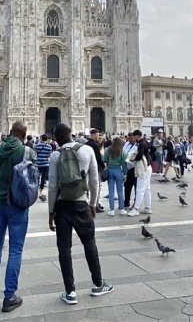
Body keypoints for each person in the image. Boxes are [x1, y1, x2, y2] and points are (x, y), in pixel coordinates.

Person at [48, 122, 113, 305]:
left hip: (61, 207)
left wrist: (51, 212)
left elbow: (52, 187)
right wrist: (92, 203)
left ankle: (70, 293)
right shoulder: (87, 151)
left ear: (58, 137)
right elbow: (94, 180)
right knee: (90, 244)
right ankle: (98, 284)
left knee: (64, 249)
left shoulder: (55, 155)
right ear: (70, 134)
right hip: (81, 205)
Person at [0, 121, 36, 313]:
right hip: (18, 205)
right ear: (24, 135)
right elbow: (33, 177)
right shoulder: (27, 151)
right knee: (15, 250)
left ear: (10, 132)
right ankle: (9, 296)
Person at [127, 130, 152, 217]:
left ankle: (136, 208)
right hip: (148, 167)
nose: (133, 139)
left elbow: (139, 156)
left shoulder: (141, 144)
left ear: (137, 136)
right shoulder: (146, 142)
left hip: (143, 168)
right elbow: (153, 149)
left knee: (140, 189)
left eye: (134, 137)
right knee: (147, 189)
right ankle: (147, 207)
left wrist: (132, 158)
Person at [102, 136, 127, 216]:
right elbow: (124, 164)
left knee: (111, 190)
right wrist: (125, 174)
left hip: (110, 170)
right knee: (120, 191)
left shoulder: (108, 150)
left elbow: (104, 160)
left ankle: (112, 210)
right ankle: (121, 209)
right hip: (118, 170)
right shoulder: (122, 152)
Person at [35, 134, 53, 202]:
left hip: (38, 164)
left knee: (37, 177)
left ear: (41, 138)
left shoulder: (37, 146)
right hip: (45, 164)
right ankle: (41, 192)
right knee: (43, 178)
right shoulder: (49, 147)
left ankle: (35, 191)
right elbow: (49, 156)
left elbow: (35, 155)